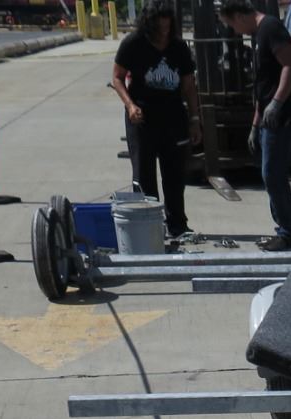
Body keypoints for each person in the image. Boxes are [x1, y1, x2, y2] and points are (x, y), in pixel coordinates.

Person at [219, 0, 291, 251]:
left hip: (286, 114)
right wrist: (255, 124)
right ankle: (285, 229)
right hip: (271, 116)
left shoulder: (271, 28)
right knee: (270, 173)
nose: (235, 31)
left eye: (232, 25)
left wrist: (277, 103)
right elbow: (263, 83)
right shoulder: (259, 34)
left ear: (240, 16)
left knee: (272, 173)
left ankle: (289, 232)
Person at [112, 1, 203, 244]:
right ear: (148, 25)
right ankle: (149, 225)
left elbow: (189, 86)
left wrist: (195, 119)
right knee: (144, 176)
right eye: (159, 29)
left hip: (173, 118)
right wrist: (130, 105)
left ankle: (177, 224)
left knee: (174, 175)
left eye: (167, 28)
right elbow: (117, 77)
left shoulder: (178, 47)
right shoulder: (133, 44)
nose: (164, 33)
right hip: (142, 119)